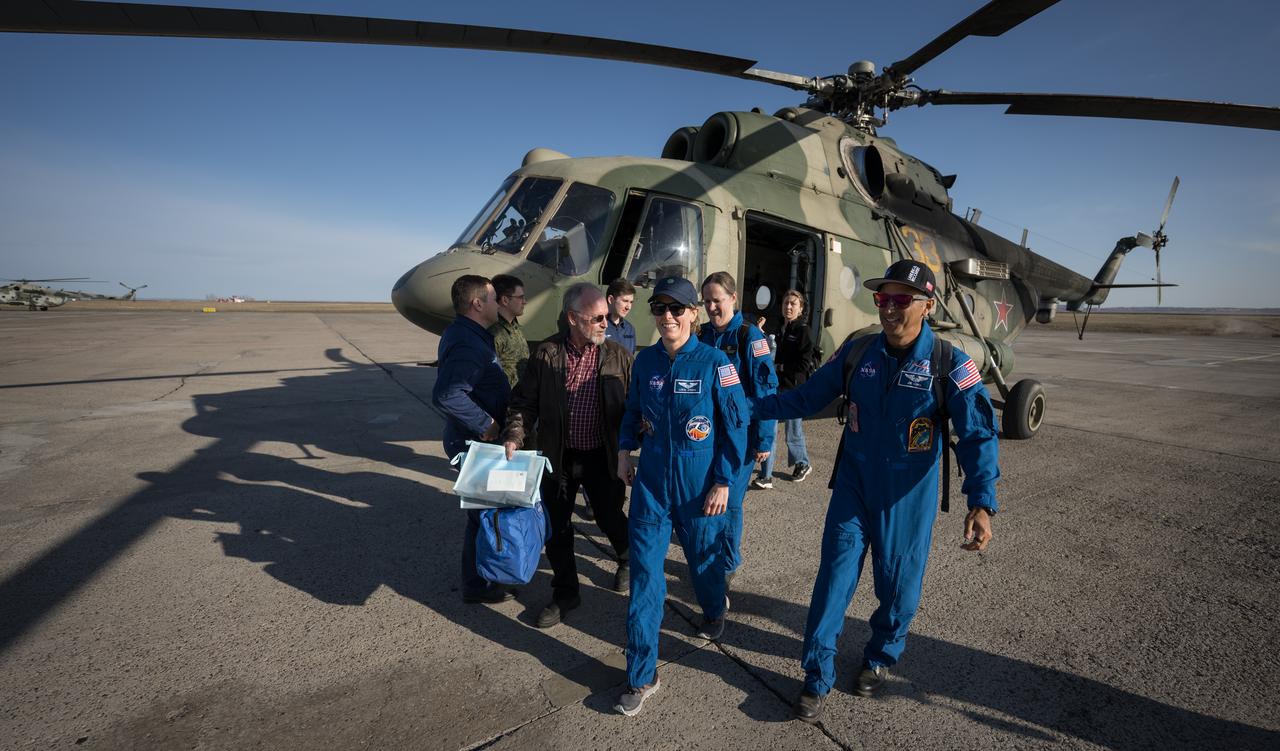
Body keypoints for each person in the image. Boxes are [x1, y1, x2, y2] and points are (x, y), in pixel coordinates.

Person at [750, 259, 1000, 724]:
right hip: (854, 488)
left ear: (926, 306)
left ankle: (881, 654)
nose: (889, 309)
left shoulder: (950, 364)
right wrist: (748, 407)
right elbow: (805, 397)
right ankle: (815, 674)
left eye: (901, 300)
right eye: (882, 299)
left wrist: (981, 502)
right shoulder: (857, 353)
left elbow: (978, 434)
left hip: (908, 498)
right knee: (833, 580)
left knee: (898, 590)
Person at [613, 276, 750, 717]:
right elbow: (633, 411)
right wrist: (623, 451)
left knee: (705, 568)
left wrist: (725, 481)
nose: (667, 316)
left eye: (677, 309)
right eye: (659, 309)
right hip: (652, 487)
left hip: (700, 487)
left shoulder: (715, 363)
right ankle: (641, 674)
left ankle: (714, 610)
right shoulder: (647, 362)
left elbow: (737, 427)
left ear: (693, 313)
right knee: (646, 581)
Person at [501, 283, 633, 628]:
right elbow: (524, 403)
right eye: (598, 318)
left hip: (602, 457)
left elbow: (636, 409)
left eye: (607, 316)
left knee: (609, 515)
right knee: (557, 528)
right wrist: (515, 435)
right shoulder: (546, 355)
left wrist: (634, 450)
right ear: (573, 318)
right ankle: (565, 593)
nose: (607, 323)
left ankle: (627, 557)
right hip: (557, 458)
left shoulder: (618, 356)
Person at [431, 274, 514, 605]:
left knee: (481, 515)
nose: (498, 303)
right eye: (494, 298)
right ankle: (478, 585)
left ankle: (479, 580)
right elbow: (448, 395)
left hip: (471, 442)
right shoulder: (468, 342)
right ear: (478, 304)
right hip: (474, 445)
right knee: (482, 516)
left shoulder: (469, 335)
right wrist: (487, 424)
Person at [697, 272, 777, 592]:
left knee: (729, 502)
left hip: (740, 436)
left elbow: (766, 390)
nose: (712, 307)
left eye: (717, 300)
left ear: (733, 299)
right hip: (706, 434)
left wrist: (764, 439)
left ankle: (728, 562)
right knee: (706, 497)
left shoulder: (750, 337)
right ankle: (706, 552)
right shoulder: (701, 335)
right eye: (707, 301)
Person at [766, 289, 816, 483]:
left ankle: (802, 463)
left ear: (800, 308)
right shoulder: (779, 329)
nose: (788, 307)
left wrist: (781, 366)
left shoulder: (803, 331)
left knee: (792, 429)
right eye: (786, 303)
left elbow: (804, 363)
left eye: (793, 304)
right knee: (771, 427)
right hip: (778, 385)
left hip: (794, 387)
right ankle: (767, 470)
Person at [488, 274, 529, 388]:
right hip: (504, 401)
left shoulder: (514, 327)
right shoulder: (493, 333)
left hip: (520, 400)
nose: (525, 302)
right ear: (505, 300)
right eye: (520, 298)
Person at [604, 278, 637, 355]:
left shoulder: (630, 329)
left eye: (631, 302)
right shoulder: (597, 326)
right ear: (611, 299)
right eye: (625, 301)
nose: (628, 307)